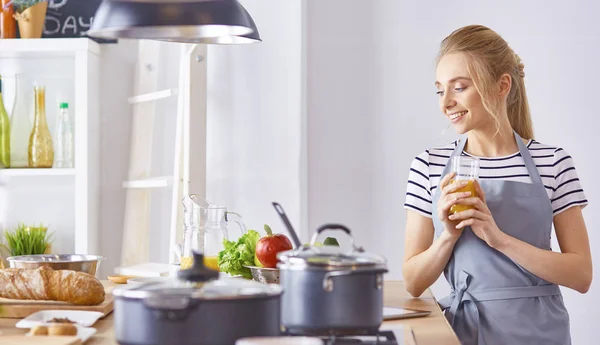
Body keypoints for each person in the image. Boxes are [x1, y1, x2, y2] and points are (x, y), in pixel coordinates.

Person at [402, 25, 592, 345]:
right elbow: (413, 282)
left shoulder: (553, 163)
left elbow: (581, 274)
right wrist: (447, 236)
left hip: (540, 334)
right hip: (462, 333)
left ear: (502, 85)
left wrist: (499, 239)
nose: (445, 102)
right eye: (439, 90)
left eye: (459, 87)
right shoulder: (429, 166)